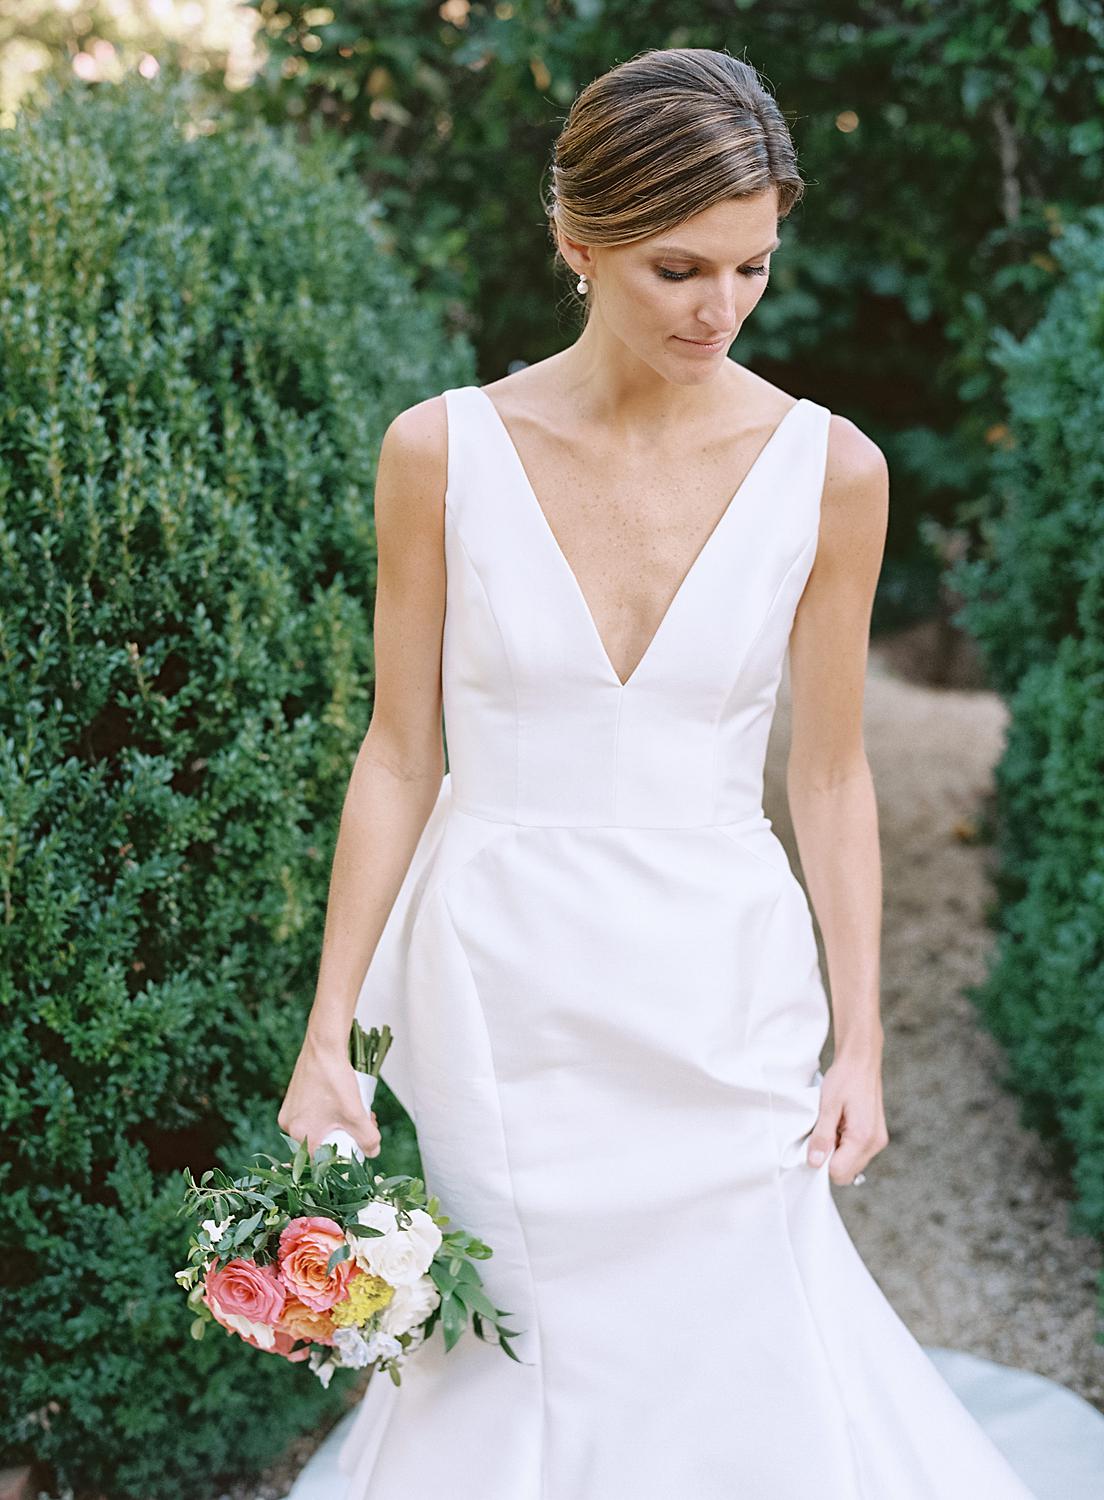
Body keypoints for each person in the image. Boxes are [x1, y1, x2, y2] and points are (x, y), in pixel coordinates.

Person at [277, 45, 1037, 1499]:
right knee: (514, 1338)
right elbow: (396, 751)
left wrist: (862, 1043)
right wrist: (331, 1029)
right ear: (576, 242)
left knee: (744, 1317)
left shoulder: (835, 472)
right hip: (496, 977)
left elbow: (828, 775)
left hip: (722, 974)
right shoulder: (439, 454)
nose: (725, 308)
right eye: (680, 270)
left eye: (754, 266)